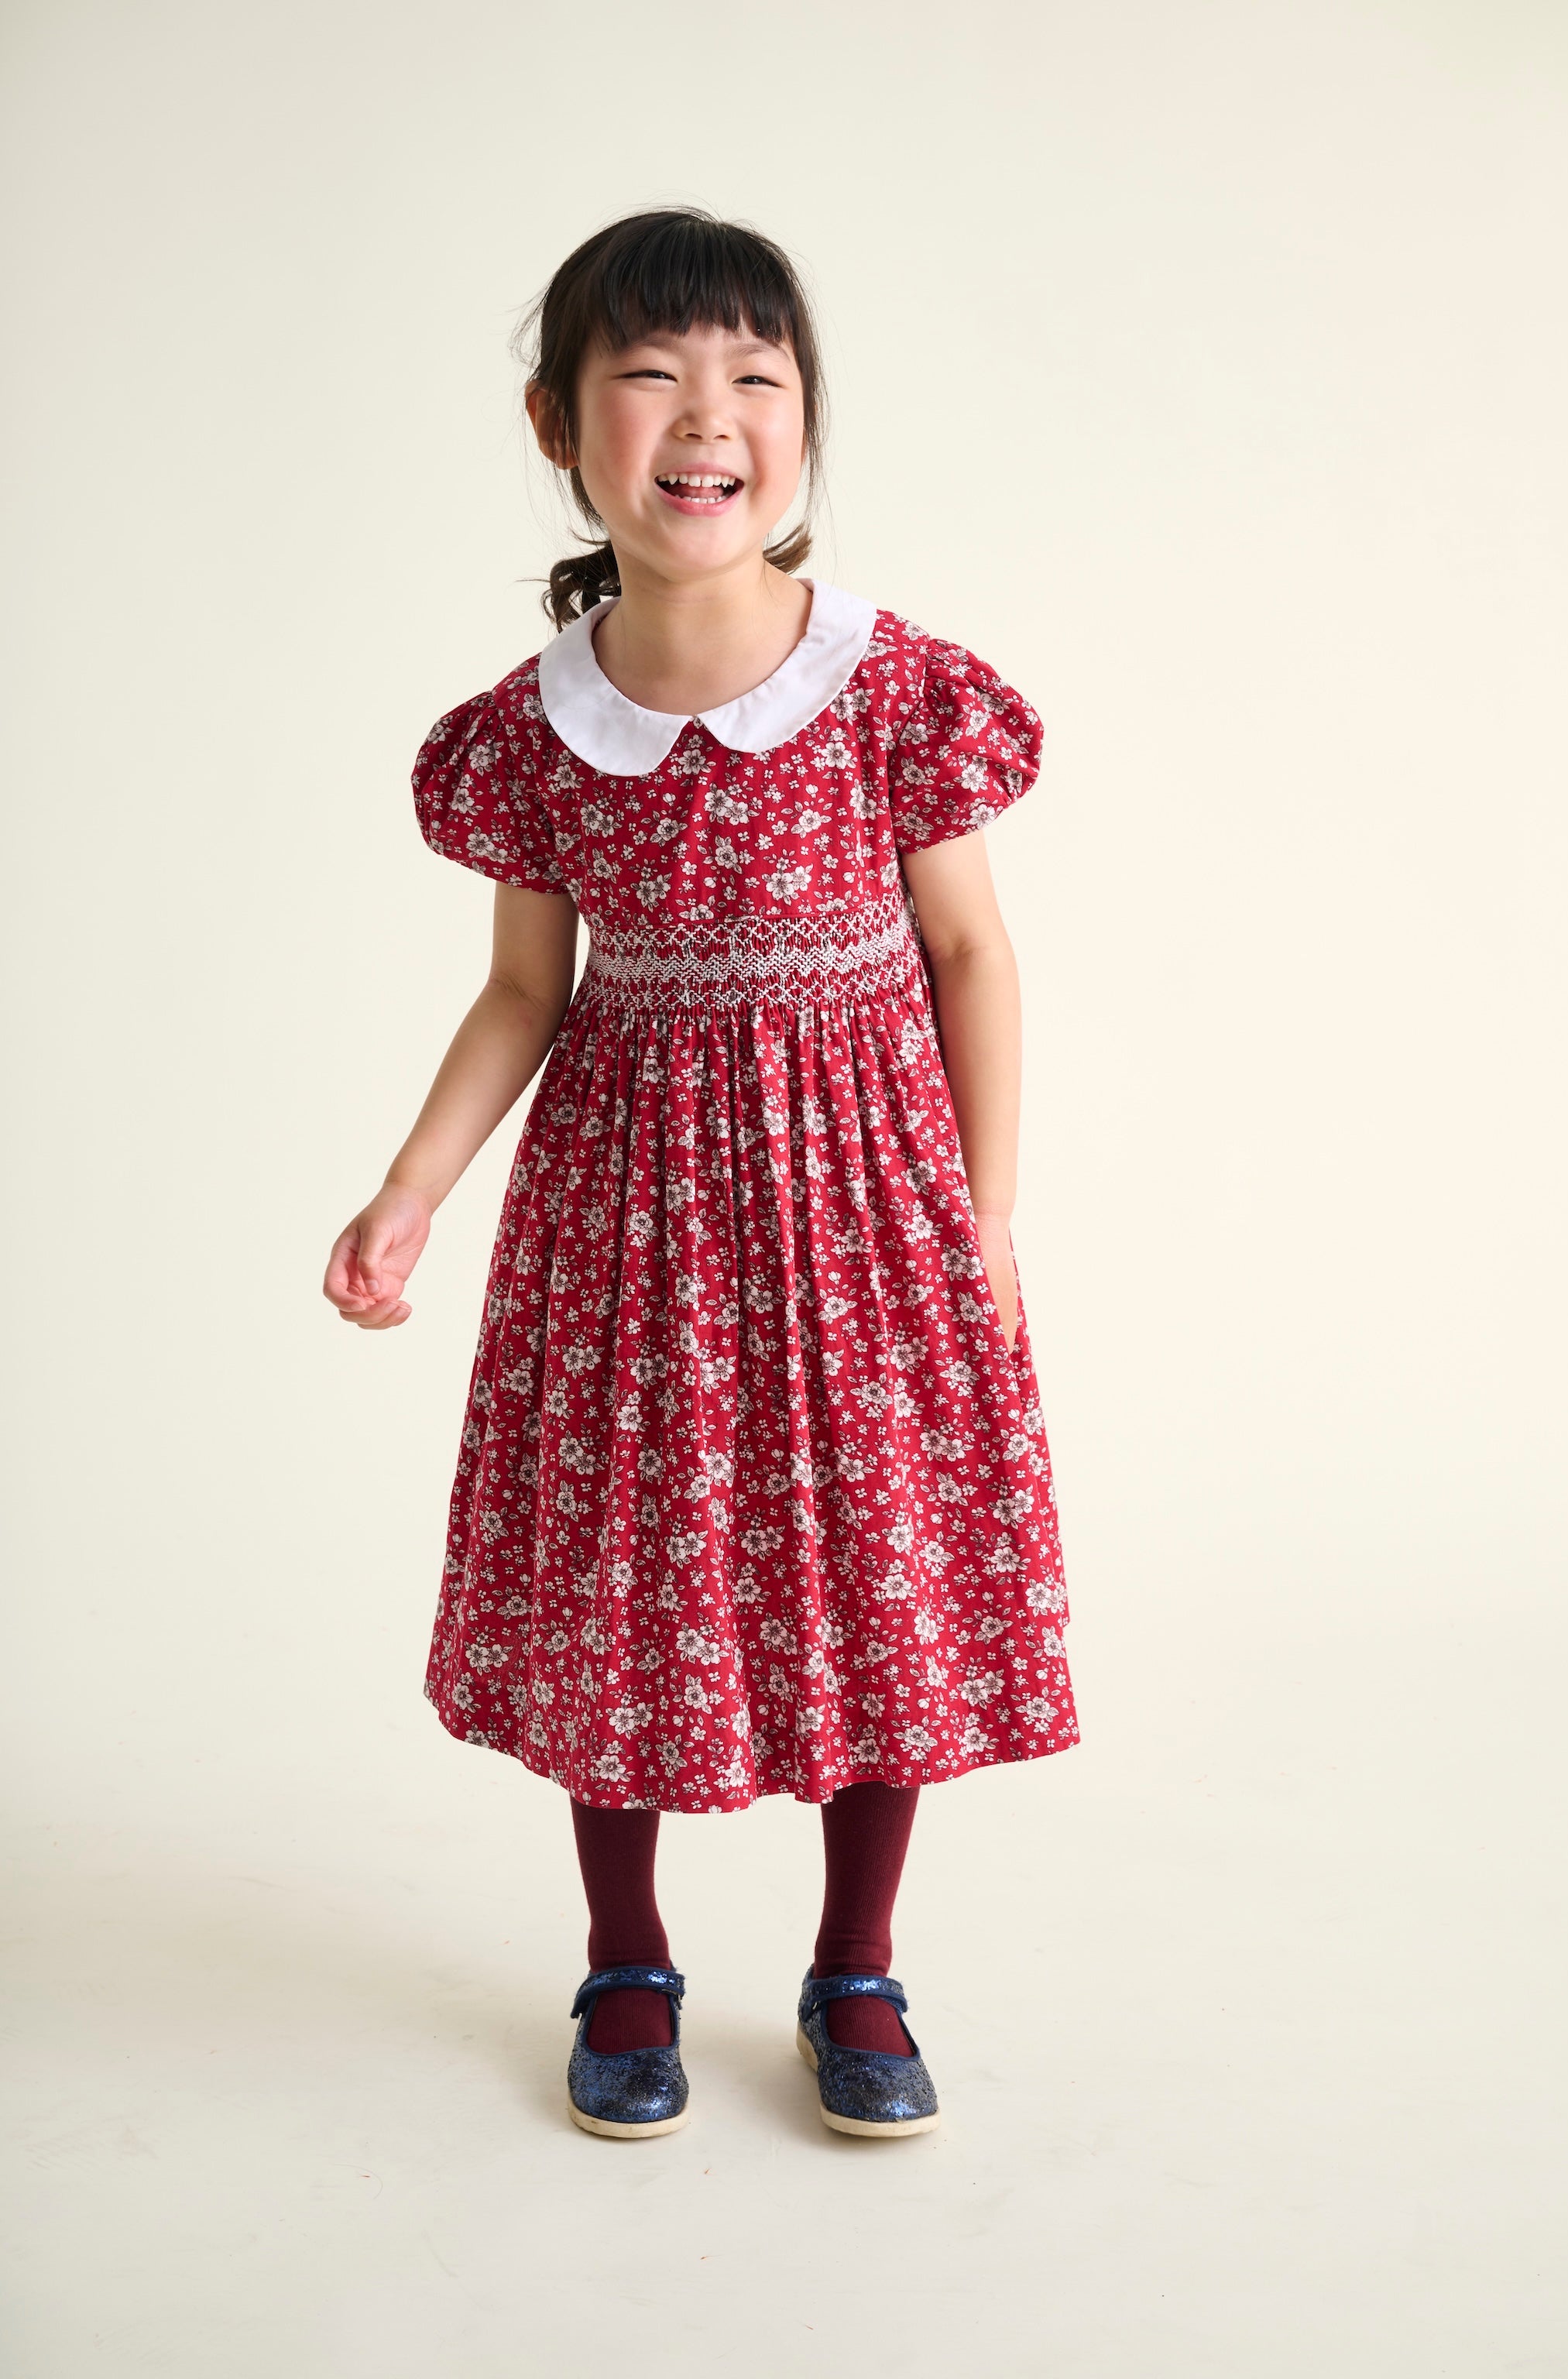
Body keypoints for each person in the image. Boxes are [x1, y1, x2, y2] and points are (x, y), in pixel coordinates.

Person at [323, 208, 1079, 2141]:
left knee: (878, 1570)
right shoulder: (537, 730)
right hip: (627, 1214)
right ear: (562, 425)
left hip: (865, 1206)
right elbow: (520, 991)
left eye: (753, 376)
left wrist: (980, 1223)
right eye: (651, 375)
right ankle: (627, 1960)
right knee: (625, 1576)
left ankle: (857, 1966)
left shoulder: (887, 684)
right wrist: (411, 1185)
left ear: (802, 426)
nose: (704, 415)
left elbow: (975, 955)